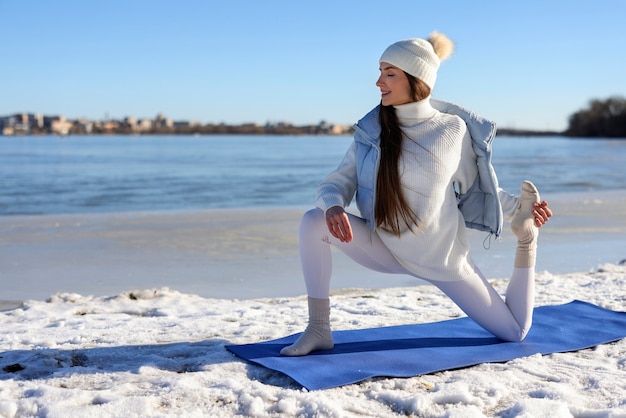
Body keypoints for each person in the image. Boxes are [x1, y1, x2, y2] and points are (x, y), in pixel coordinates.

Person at [280, 32, 553, 356]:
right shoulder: (372, 130)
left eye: (389, 73)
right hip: (384, 247)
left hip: (441, 256)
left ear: (417, 79)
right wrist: (333, 207)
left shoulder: (452, 130)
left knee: (515, 332)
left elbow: (479, 188)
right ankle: (318, 329)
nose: (379, 82)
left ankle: (527, 241)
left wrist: (521, 211)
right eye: (380, 72)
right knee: (313, 222)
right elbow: (333, 184)